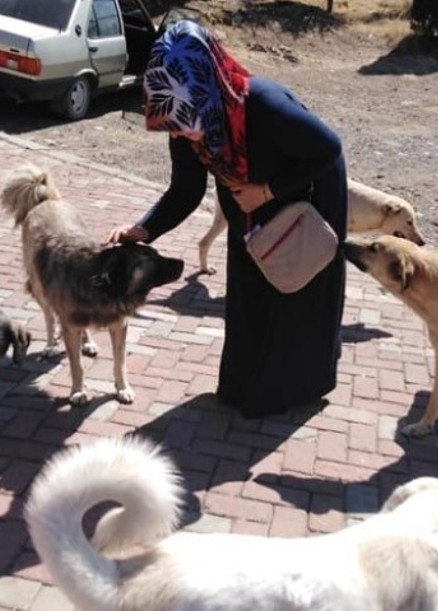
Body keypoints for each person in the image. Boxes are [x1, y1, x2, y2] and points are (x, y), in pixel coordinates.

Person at [107, 20, 347, 418]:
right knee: (248, 288)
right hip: (249, 206)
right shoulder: (184, 117)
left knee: (293, 292)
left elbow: (328, 149)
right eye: (173, 127)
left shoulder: (264, 104)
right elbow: (185, 190)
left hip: (306, 196)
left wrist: (267, 190)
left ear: (205, 89)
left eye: (185, 126)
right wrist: (143, 228)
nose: (182, 136)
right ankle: (242, 385)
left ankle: (292, 391)